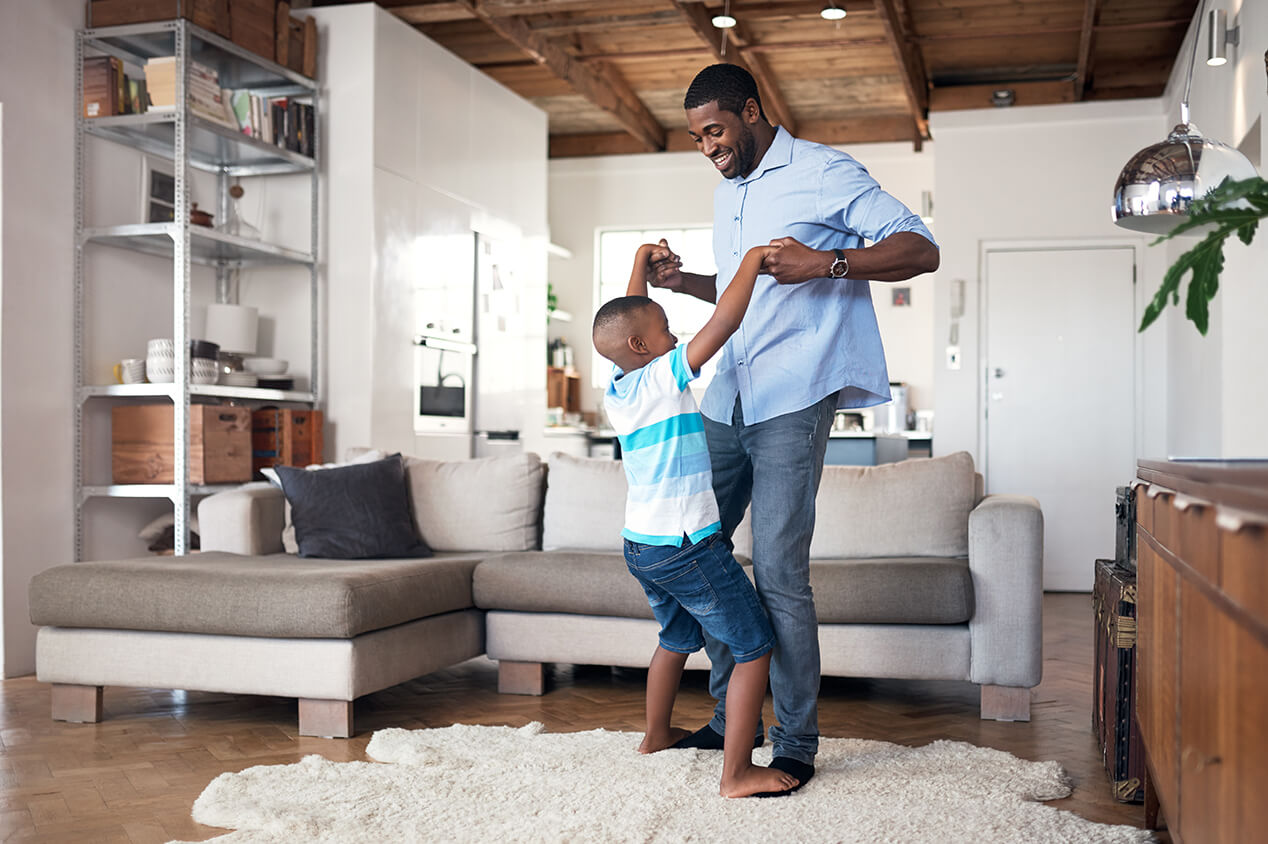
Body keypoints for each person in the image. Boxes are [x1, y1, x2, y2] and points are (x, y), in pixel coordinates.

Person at [647, 63, 940, 792]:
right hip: (726, 399)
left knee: (778, 573)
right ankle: (729, 722)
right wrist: (681, 283)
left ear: (751, 111)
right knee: (700, 557)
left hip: (793, 396)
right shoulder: (728, 194)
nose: (707, 146)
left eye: (715, 130)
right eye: (695, 137)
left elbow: (920, 247)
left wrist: (829, 262)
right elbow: (745, 289)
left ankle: (796, 742)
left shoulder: (823, 172)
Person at [593, 241, 797, 799]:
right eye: (664, 328)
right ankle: (737, 773)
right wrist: (752, 261)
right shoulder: (662, 377)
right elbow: (725, 321)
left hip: (643, 546)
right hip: (688, 545)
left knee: (676, 638)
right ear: (642, 346)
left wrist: (639, 260)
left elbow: (628, 312)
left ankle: (655, 735)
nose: (674, 335)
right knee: (754, 645)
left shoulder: (620, 384)